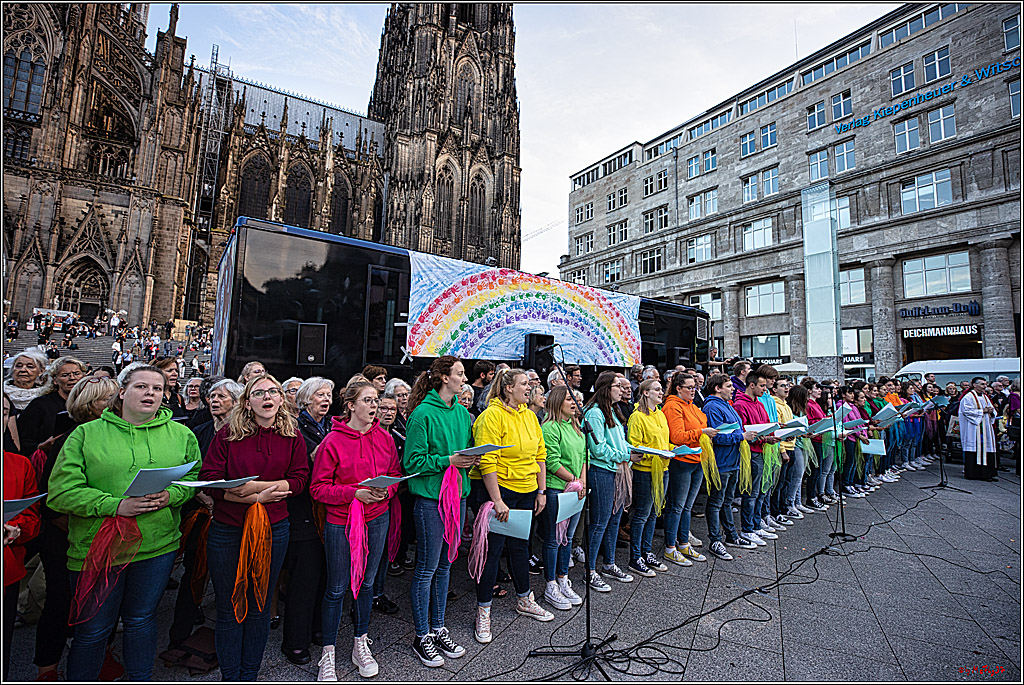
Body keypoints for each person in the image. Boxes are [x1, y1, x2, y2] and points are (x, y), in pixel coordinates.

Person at [47, 365, 201, 681]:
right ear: (122, 392)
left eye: (157, 389)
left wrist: (170, 496)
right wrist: (118, 506)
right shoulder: (86, 434)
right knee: (93, 629)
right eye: (142, 386)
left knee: (141, 621)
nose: (150, 393)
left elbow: (193, 478)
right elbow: (60, 494)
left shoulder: (182, 434)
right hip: (97, 549)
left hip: (156, 548)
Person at [201, 375, 309, 681]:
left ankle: (249, 674)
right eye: (259, 392)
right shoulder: (227, 435)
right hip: (228, 529)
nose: (267, 397)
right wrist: (256, 494)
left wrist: (253, 491)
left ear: (280, 399)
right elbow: (211, 478)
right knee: (230, 605)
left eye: (273, 392)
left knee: (259, 604)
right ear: (247, 402)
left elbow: (301, 478)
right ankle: (230, 675)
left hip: (273, 529)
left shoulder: (292, 436)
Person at [310, 381, 401, 680]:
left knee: (367, 584)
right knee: (336, 589)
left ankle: (360, 642)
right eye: (367, 400)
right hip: (342, 521)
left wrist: (385, 493)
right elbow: (318, 488)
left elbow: (396, 475)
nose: (374, 406)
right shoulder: (332, 442)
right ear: (350, 405)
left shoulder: (385, 438)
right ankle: (328, 653)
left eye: (376, 400)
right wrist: (354, 494)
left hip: (377, 518)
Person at [402, 356, 474, 667]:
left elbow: (465, 451)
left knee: (445, 566)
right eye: (459, 373)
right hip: (431, 500)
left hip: (457, 498)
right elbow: (413, 463)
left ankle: (438, 626)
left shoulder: (462, 412)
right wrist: (449, 461)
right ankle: (422, 635)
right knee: (427, 568)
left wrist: (471, 459)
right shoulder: (422, 414)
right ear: (444, 378)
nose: (464, 378)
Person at [472, 368, 553, 639]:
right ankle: (484, 611)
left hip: (527, 491)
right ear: (508, 388)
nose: (529, 388)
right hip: (501, 493)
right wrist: (496, 500)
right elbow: (487, 460)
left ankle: (524, 599)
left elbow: (540, 454)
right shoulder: (490, 417)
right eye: (524, 384)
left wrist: (541, 490)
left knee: (521, 548)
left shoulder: (530, 416)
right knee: (492, 553)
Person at [280, 377, 335, 665]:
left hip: (325, 510)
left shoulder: (329, 426)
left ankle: (316, 628)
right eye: (320, 395)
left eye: (329, 395)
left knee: (323, 575)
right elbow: (296, 466)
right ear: (305, 399)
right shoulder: (294, 428)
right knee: (304, 578)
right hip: (302, 511)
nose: (326, 399)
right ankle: (295, 641)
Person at [582, 371, 634, 593]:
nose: (621, 389)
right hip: (602, 471)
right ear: (605, 388)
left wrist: (631, 451)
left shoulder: (613, 410)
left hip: (617, 469)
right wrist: (624, 456)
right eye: (616, 385)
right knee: (600, 521)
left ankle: (609, 563)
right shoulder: (595, 413)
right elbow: (598, 448)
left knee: (614, 519)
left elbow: (619, 442)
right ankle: (590, 570)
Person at [538, 385, 586, 611]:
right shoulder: (550, 428)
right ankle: (550, 585)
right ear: (557, 402)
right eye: (569, 399)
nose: (574, 403)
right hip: (558, 490)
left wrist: (582, 482)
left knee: (566, 537)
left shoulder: (575, 427)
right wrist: (575, 480)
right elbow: (552, 461)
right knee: (553, 538)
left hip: (576, 489)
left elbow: (584, 456)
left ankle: (563, 578)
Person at [701, 375, 759, 559]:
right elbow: (717, 436)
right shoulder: (712, 407)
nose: (732, 389)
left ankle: (731, 535)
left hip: (733, 460)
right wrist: (742, 436)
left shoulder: (727, 405)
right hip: (721, 462)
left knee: (727, 501)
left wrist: (743, 434)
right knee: (716, 502)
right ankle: (715, 540)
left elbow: (733, 430)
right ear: (717, 388)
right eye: (728, 386)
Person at [660, 372, 714, 565]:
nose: (694, 391)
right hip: (682, 460)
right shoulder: (672, 406)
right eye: (690, 388)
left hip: (697, 458)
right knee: (677, 506)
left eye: (695, 387)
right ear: (678, 388)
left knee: (687, 506)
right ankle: (670, 547)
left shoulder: (691, 405)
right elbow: (677, 436)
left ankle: (683, 543)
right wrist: (701, 432)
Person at [733, 368, 782, 547]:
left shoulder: (759, 403)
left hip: (763, 449)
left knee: (761, 491)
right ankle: (747, 528)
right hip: (752, 452)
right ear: (751, 385)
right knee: (751, 493)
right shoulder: (740, 404)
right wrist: (765, 437)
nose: (765, 389)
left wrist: (777, 432)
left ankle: (755, 523)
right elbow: (745, 431)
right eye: (761, 385)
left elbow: (765, 424)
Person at [4, 443, 41, 680]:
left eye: (4, 413)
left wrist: (16, 528)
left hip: (6, 572)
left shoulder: (19, 464)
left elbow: (32, 518)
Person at [17, 356, 86, 457]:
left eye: (76, 373)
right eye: (65, 375)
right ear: (55, 380)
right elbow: (23, 441)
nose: (72, 378)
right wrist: (41, 446)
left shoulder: (90, 403)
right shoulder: (39, 405)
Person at [960, 376, 998, 481]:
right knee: (975, 449)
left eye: (985, 384)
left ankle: (987, 473)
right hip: (974, 428)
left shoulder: (985, 397)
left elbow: (992, 409)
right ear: (975, 385)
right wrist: (982, 411)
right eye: (982, 384)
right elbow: (966, 411)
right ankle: (973, 474)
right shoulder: (968, 397)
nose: (984, 386)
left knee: (987, 448)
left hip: (986, 427)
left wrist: (992, 411)